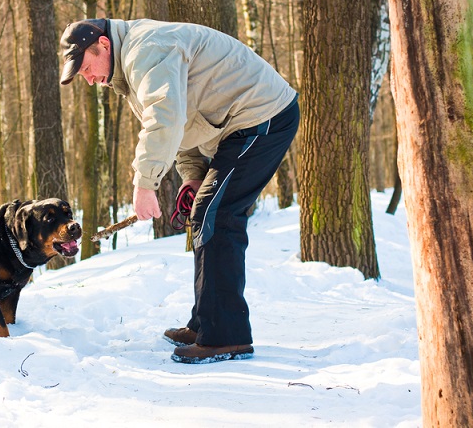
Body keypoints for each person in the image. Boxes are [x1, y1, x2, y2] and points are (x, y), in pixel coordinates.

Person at [59, 18, 299, 364]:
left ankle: (226, 337)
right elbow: (182, 124)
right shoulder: (132, 69)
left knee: (217, 214)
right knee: (207, 212)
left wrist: (145, 183)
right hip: (239, 126)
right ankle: (206, 324)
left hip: (263, 117)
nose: (90, 79)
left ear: (104, 46)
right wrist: (192, 175)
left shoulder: (147, 51)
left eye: (86, 67)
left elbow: (165, 120)